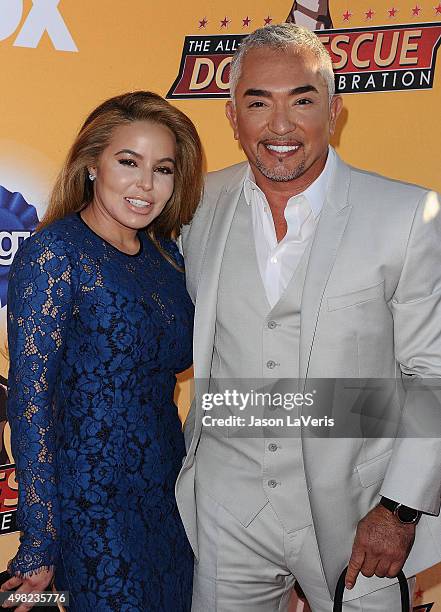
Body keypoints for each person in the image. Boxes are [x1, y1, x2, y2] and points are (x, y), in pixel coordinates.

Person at [175, 24, 441, 612]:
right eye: (258, 102)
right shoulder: (195, 204)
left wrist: (399, 508)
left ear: (335, 110)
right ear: (231, 115)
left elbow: (432, 374)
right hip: (227, 506)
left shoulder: (408, 215)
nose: (280, 126)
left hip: (360, 510)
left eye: (302, 100)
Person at [1, 91, 203, 611]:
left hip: (170, 496)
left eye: (163, 169)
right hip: (92, 506)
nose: (145, 185)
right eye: (128, 162)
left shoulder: (166, 256)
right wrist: (40, 539)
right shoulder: (55, 253)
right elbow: (30, 405)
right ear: (92, 164)